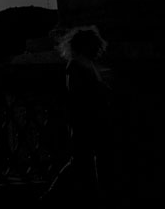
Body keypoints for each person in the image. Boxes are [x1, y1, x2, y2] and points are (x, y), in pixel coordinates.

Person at [42, 26, 112, 205]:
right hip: (84, 120)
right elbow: (79, 94)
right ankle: (53, 195)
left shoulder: (81, 64)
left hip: (87, 120)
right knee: (82, 161)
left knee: (82, 161)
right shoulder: (78, 66)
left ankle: (58, 195)